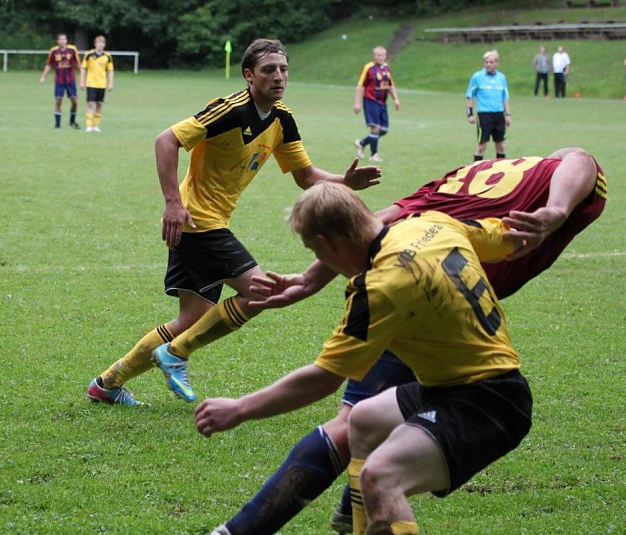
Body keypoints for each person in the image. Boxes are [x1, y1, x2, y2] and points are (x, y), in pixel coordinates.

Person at [201, 148, 607, 535]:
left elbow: (321, 379)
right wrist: (546, 223)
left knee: (382, 475)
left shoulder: (378, 288)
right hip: (455, 385)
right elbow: (505, 239)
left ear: (325, 244)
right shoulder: (434, 224)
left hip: (487, 404)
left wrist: (240, 408)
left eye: (314, 250)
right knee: (363, 419)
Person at [85, 39, 382, 406]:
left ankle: (107, 383)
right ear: (249, 75)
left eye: (283, 69)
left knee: (191, 319)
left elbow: (305, 175)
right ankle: (176, 354)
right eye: (269, 70)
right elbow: (166, 140)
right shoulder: (229, 110)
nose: (279, 76)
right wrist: (173, 203)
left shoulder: (282, 119)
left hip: (208, 223)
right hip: (197, 221)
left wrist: (344, 182)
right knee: (263, 291)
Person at [353, 46, 400, 163]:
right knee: (375, 128)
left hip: (382, 102)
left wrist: (396, 99)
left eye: (382, 55)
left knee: (384, 129)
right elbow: (360, 85)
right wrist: (357, 103)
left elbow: (390, 85)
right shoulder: (368, 68)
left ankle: (362, 143)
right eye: (378, 55)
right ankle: (374, 155)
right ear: (374, 56)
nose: (380, 57)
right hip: (370, 101)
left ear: (385, 56)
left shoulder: (386, 68)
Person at [466, 50, 511, 161]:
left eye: (491, 62)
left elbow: (505, 97)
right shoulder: (477, 77)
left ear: (497, 63)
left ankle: (500, 171)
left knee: (501, 146)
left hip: (499, 115)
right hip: (484, 116)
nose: (488, 64)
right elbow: (470, 96)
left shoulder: (502, 78)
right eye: (486, 62)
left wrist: (508, 114)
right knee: (482, 146)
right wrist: (470, 114)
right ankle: (476, 170)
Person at [39, 33, 81, 129]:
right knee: (58, 101)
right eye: (60, 39)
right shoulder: (53, 51)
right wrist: (43, 76)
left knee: (74, 101)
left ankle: (72, 121)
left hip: (70, 80)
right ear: (58, 41)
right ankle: (57, 124)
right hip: (59, 80)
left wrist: (83, 78)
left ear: (66, 40)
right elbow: (49, 64)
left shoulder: (72, 50)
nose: (63, 41)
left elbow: (78, 64)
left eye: (64, 39)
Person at [79, 35, 114, 132]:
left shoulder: (108, 56)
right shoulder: (89, 55)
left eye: (102, 43)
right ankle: (89, 125)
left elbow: (110, 71)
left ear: (104, 45)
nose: (100, 45)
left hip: (102, 84)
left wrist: (111, 83)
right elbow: (83, 68)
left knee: (99, 104)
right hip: (91, 83)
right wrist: (82, 81)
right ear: (95, 44)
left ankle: (97, 126)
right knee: (90, 104)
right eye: (99, 43)